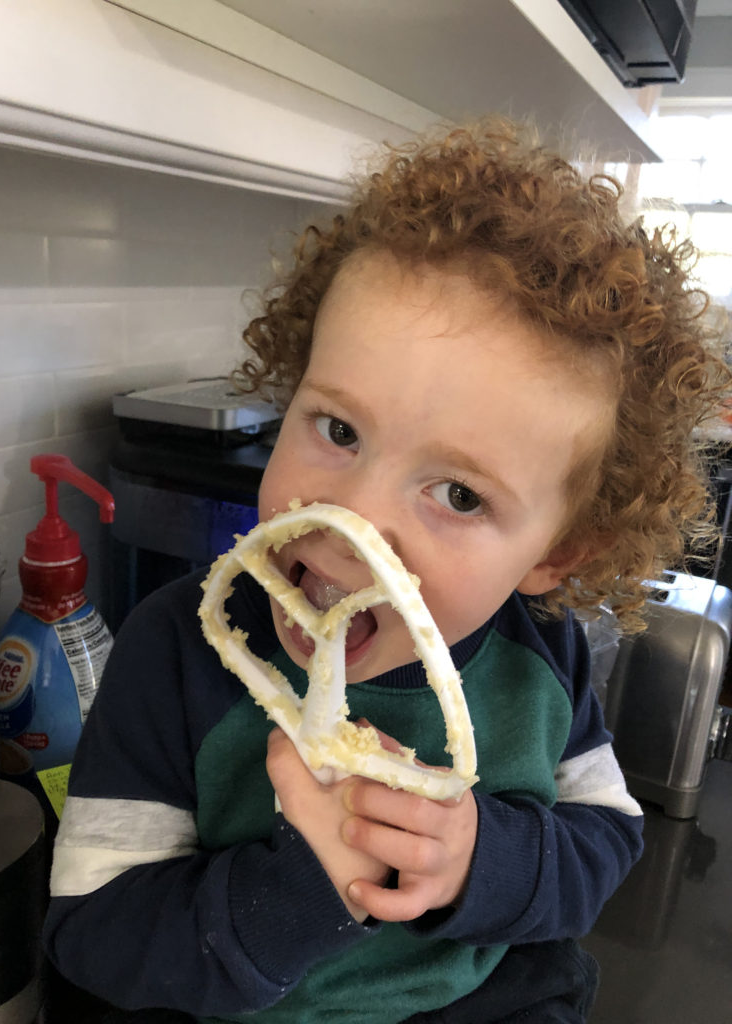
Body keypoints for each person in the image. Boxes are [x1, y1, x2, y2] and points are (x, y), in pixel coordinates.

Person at [43, 117, 729, 1024]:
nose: (353, 523)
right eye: (337, 430)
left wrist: (478, 857)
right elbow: (95, 937)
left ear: (557, 555)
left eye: (457, 493)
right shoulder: (174, 653)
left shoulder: (543, 662)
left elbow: (605, 846)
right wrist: (307, 888)